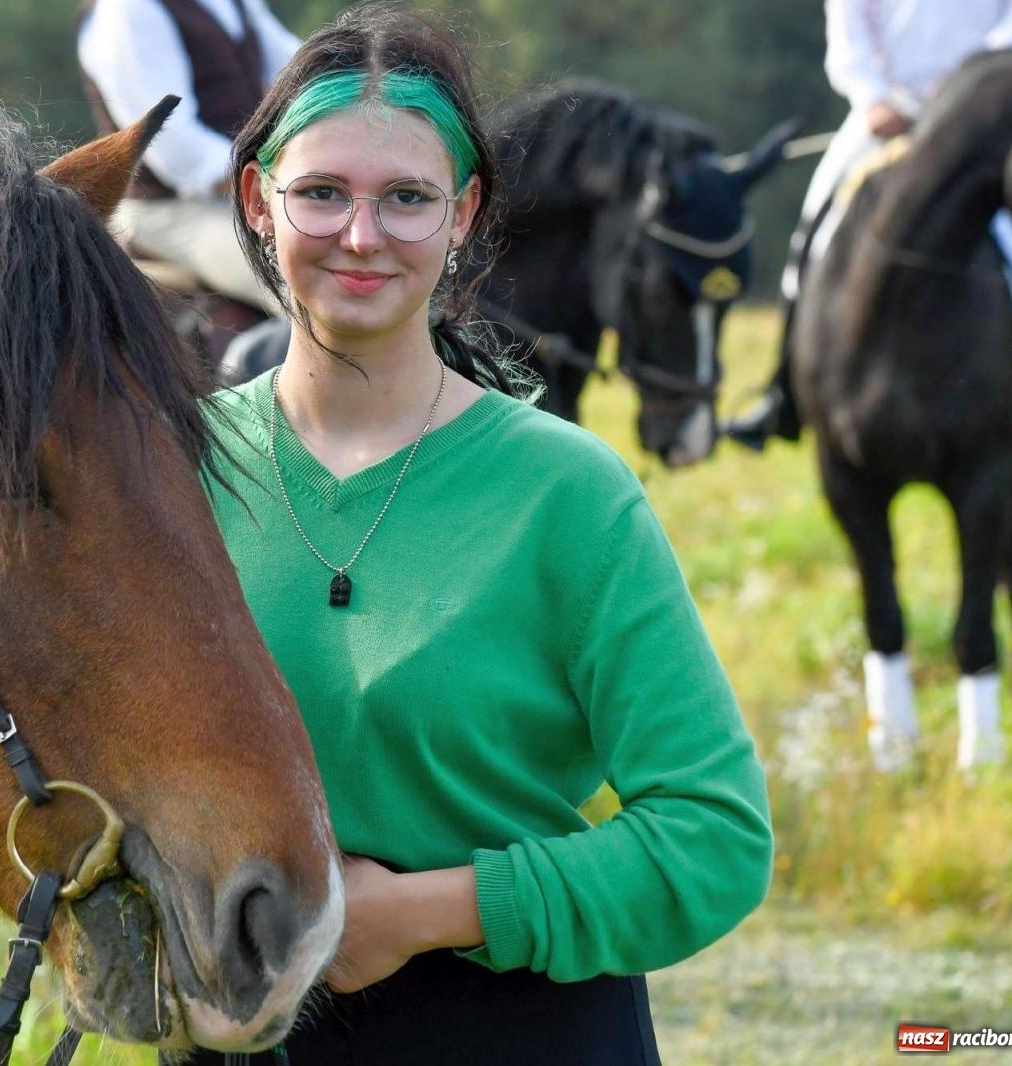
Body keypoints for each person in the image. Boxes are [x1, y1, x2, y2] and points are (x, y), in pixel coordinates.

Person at [181, 8, 774, 1063]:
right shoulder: (174, 474)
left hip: (518, 1032)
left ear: (463, 217)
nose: (360, 236)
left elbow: (713, 840)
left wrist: (418, 912)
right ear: (255, 203)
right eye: (320, 192)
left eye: (405, 198)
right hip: (235, 1032)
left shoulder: (570, 492)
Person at [727, 0, 1012, 448]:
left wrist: (970, 87)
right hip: (887, 116)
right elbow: (848, 36)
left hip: (985, 119)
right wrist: (872, 98)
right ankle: (783, 390)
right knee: (815, 226)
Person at [77, 0, 298, 312]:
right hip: (165, 210)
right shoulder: (129, 10)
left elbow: (298, 71)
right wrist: (279, 182)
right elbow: (175, 145)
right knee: (298, 277)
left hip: (250, 189)